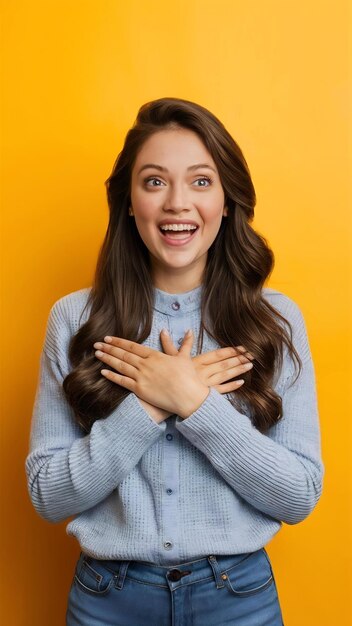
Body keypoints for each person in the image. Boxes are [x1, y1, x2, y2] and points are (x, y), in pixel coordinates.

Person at [26, 97, 324, 626]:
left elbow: (298, 496)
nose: (178, 204)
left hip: (239, 602)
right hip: (107, 601)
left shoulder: (274, 320)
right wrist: (146, 407)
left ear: (228, 201)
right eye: (155, 181)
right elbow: (47, 495)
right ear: (129, 201)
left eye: (201, 182)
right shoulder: (74, 319)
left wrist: (195, 403)